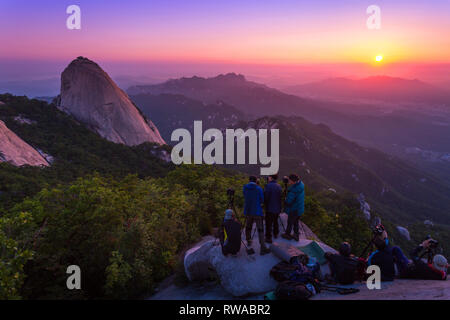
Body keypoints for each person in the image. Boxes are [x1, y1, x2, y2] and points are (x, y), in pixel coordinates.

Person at [243, 176, 270, 255]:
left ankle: (248, 241)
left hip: (248, 211)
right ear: (256, 181)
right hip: (257, 211)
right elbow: (262, 200)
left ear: (249, 180)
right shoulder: (258, 189)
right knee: (260, 230)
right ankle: (263, 248)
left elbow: (245, 196)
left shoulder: (245, 187)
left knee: (248, 227)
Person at [282, 174, 305, 242]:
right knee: (296, 222)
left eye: (289, 180)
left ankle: (287, 234)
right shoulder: (301, 185)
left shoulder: (294, 190)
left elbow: (288, 201)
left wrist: (285, 199)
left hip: (294, 209)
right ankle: (296, 235)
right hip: (299, 208)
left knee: (290, 222)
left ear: (293, 181)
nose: (288, 181)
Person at [264, 174, 282, 243]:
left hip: (270, 208)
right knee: (275, 221)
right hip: (277, 208)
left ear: (271, 178)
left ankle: (268, 237)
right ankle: (276, 234)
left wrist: (264, 204)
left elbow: (266, 197)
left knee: (268, 223)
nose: (268, 177)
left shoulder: (268, 186)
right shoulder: (279, 186)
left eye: (268, 177)